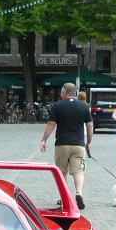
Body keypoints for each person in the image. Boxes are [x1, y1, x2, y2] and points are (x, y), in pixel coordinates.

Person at [39, 82, 93, 210]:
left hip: (62, 144)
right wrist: (89, 142)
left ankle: (65, 197)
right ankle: (79, 193)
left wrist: (44, 139)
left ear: (64, 92)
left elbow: (51, 124)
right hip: (78, 144)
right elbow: (90, 125)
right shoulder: (84, 106)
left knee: (62, 172)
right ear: (74, 93)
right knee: (78, 171)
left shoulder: (57, 106)